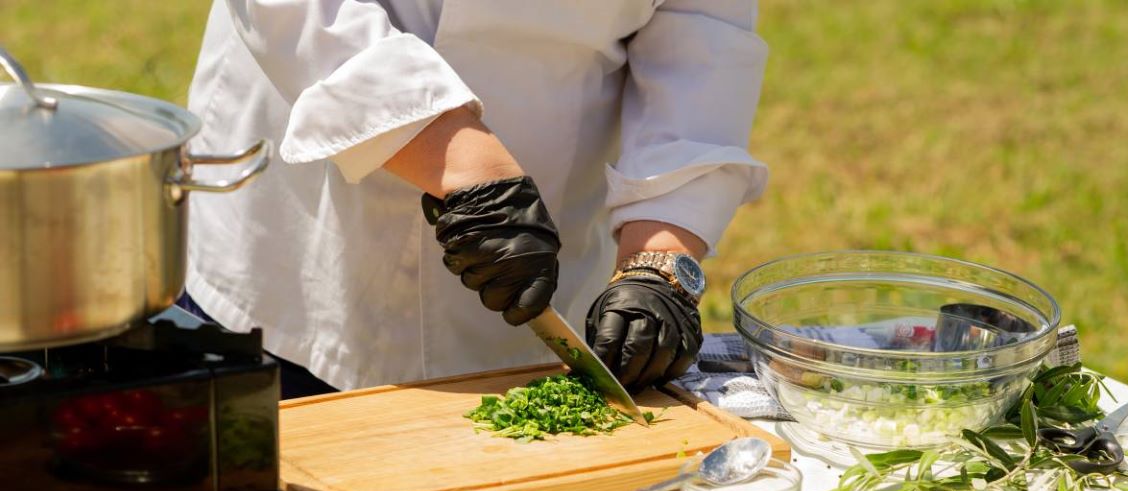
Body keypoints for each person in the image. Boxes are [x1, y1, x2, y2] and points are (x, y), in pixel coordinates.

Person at [183, 1, 768, 398]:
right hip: (294, 251)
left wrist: (659, 260)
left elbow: (704, 37)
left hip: (552, 241)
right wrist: (462, 163)